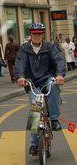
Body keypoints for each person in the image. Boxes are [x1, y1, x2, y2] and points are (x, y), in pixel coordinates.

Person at [15, 23, 65, 157]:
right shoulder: (24, 49)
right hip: (31, 82)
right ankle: (34, 144)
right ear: (30, 35)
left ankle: (54, 119)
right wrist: (20, 77)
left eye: (39, 34)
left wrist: (60, 75)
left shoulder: (50, 47)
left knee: (54, 86)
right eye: (34, 34)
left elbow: (59, 60)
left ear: (42, 34)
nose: (36, 36)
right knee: (35, 110)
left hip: (47, 78)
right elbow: (20, 63)